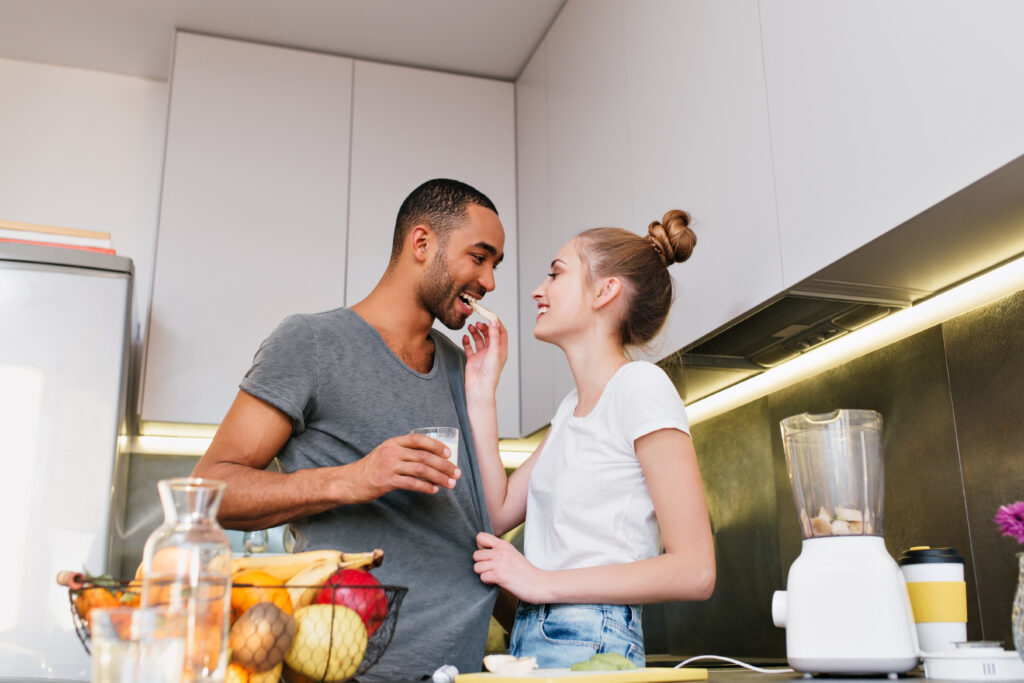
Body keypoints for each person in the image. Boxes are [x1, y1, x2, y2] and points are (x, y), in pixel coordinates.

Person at [191, 178, 505, 680]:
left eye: (495, 265)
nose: (489, 282)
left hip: (465, 668)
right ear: (422, 244)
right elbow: (209, 489)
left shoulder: (462, 364)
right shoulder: (310, 342)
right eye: (480, 257)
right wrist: (352, 478)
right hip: (349, 668)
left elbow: (470, 528)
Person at [461, 210, 716, 669]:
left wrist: (541, 582)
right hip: (536, 635)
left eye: (556, 274)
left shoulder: (640, 387)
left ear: (605, 290)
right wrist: (482, 392)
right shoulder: (568, 411)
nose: (539, 290)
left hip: (592, 635)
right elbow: (498, 512)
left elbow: (695, 570)